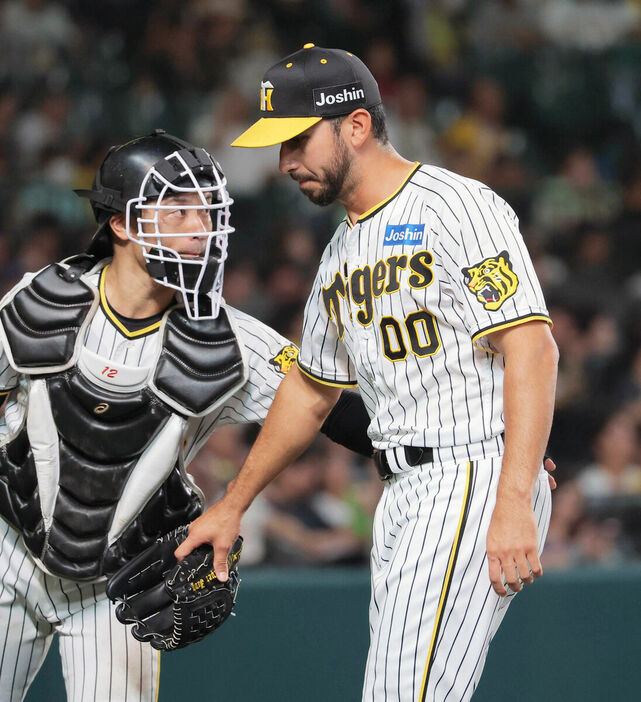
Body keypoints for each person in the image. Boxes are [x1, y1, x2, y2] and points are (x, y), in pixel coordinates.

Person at [176, 44, 558, 701]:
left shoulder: (455, 206)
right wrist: (232, 504)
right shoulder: (341, 250)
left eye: (296, 140)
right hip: (405, 491)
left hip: (469, 474)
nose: (285, 162)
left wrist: (512, 495)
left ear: (354, 125)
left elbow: (532, 346)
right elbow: (311, 389)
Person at [0, 129, 374, 702]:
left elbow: (341, 413)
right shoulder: (40, 300)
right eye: (177, 211)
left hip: (117, 585)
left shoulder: (230, 340)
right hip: (8, 556)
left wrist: (475, 446)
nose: (200, 228)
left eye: (205, 211)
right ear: (122, 225)